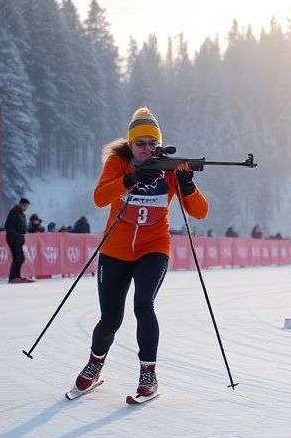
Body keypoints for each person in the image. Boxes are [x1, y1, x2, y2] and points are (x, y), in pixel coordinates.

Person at [69, 107, 209, 403]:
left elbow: (200, 212)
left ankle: (148, 374)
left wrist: (187, 184)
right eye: (141, 143)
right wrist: (131, 179)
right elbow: (99, 198)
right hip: (115, 250)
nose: (148, 149)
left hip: (154, 248)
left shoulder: (169, 169)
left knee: (144, 305)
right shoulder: (117, 164)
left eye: (153, 143)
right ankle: (95, 364)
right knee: (110, 319)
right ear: (130, 144)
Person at [5, 197, 31, 283]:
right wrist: (16, 235)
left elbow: (22, 227)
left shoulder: (21, 214)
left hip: (19, 240)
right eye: (25, 206)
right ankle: (13, 277)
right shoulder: (15, 212)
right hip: (13, 239)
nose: (26, 208)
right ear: (21, 205)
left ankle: (17, 276)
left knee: (21, 258)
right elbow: (8, 226)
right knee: (17, 258)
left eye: (27, 206)